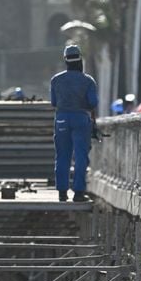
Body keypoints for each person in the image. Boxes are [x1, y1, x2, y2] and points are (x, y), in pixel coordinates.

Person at [49, 45, 99, 203]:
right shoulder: (88, 80)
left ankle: (62, 193)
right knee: (80, 156)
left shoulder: (56, 80)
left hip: (62, 118)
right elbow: (93, 103)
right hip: (80, 119)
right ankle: (78, 193)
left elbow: (54, 102)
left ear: (65, 60)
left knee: (62, 156)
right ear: (80, 59)